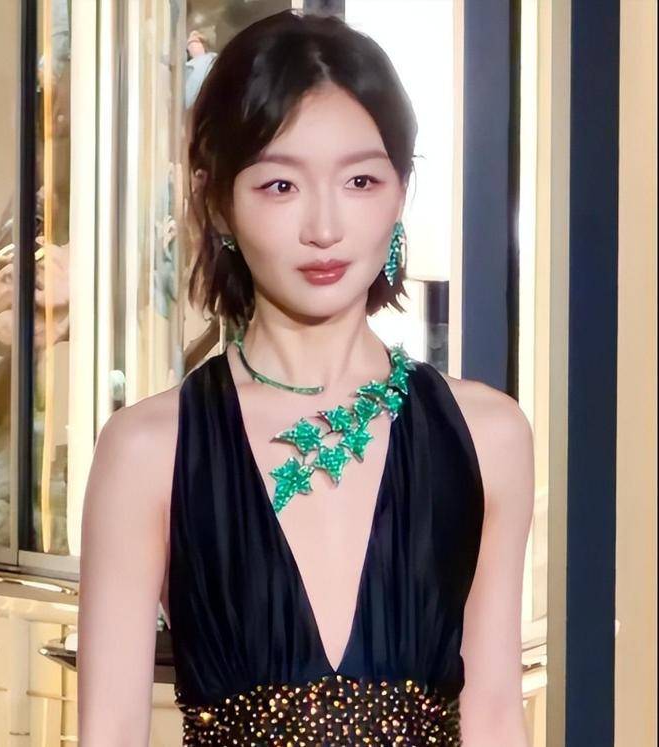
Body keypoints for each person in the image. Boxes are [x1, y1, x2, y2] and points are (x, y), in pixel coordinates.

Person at [77, 10, 534, 746]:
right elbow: (110, 731)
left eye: (360, 180)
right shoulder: (147, 450)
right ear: (217, 201)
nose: (325, 227)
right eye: (281, 185)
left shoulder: (488, 436)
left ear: (401, 191)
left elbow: (494, 716)